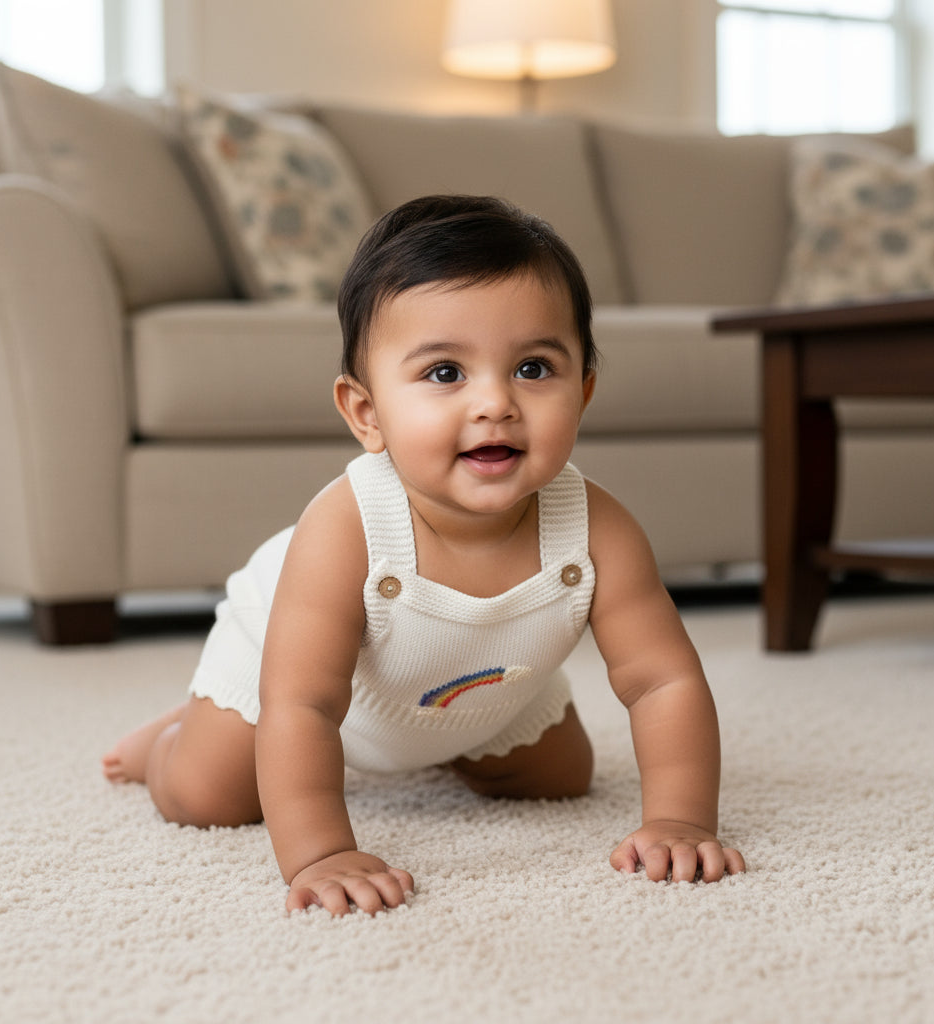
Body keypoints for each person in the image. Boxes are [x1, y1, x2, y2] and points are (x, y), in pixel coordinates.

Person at [103, 194, 746, 915]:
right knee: (207, 795)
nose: (495, 402)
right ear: (366, 414)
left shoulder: (601, 528)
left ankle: (456, 744)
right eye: (446, 374)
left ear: (585, 391)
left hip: (480, 689)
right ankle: (170, 733)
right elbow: (305, 702)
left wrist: (681, 820)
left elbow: (662, 681)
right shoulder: (345, 528)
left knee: (560, 778)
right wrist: (323, 854)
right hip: (289, 680)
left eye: (534, 369)